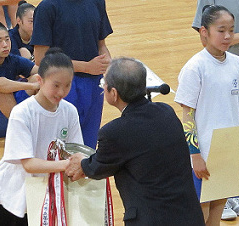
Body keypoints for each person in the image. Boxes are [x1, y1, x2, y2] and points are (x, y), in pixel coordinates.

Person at [66, 57, 205, 226]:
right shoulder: (166, 112)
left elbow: (97, 167)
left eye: (105, 83)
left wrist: (82, 162)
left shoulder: (114, 132)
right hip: (189, 216)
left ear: (114, 93)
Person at [0, 47, 83, 225]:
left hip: (45, 192)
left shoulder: (70, 111)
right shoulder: (22, 113)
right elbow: (29, 164)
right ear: (40, 81)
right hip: (10, 196)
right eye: (56, 85)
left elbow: (75, 151)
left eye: (67, 85)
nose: (61, 92)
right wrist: (68, 164)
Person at [175, 5, 239, 225]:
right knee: (199, 216)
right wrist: (195, 155)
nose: (228, 36)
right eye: (221, 30)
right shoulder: (195, 68)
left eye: (231, 30)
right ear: (204, 32)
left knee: (216, 216)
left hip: (228, 154)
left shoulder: (237, 65)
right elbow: (187, 116)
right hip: (203, 155)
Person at [30, 0, 113, 149]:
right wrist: (86, 67)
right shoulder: (47, 7)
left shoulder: (97, 2)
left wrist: (107, 61)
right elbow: (41, 58)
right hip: (62, 84)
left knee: (88, 146)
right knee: (60, 145)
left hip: (95, 84)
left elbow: (101, 45)